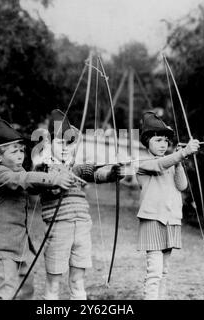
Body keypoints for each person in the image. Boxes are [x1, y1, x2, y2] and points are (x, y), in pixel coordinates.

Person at [0, 118, 74, 300]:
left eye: (22, 151)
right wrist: (53, 179)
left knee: (26, 292)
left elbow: (31, 183)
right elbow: (22, 180)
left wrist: (53, 183)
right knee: (7, 294)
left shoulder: (18, 169)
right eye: (14, 152)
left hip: (20, 247)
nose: (21, 155)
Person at [34, 109, 124, 300]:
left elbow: (95, 174)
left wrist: (112, 174)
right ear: (49, 144)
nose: (66, 147)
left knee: (77, 281)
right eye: (60, 142)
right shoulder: (43, 168)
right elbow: (39, 184)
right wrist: (56, 179)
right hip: (58, 229)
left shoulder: (76, 168)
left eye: (70, 143)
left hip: (82, 227)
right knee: (54, 283)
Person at [136, 111, 200, 300]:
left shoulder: (171, 162)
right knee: (154, 272)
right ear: (146, 142)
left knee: (164, 272)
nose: (163, 144)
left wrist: (180, 162)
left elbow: (182, 186)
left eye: (165, 140)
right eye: (158, 140)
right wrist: (182, 153)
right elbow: (159, 165)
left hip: (171, 221)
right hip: (153, 220)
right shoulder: (143, 162)